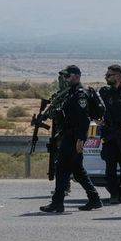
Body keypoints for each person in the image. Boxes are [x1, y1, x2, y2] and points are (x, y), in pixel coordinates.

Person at [40, 65, 103, 213]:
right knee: (77, 169)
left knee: (62, 168)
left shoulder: (80, 95)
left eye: (68, 76)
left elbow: (84, 119)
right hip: (71, 134)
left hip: (74, 136)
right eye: (64, 76)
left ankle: (57, 203)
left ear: (76, 76)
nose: (65, 78)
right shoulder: (71, 93)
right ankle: (94, 199)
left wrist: (81, 139)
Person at [98, 64, 121, 205]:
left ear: (118, 76)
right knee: (110, 169)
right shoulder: (104, 92)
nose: (106, 77)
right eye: (106, 75)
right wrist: (97, 120)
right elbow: (94, 108)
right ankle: (114, 194)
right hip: (109, 136)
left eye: (109, 75)